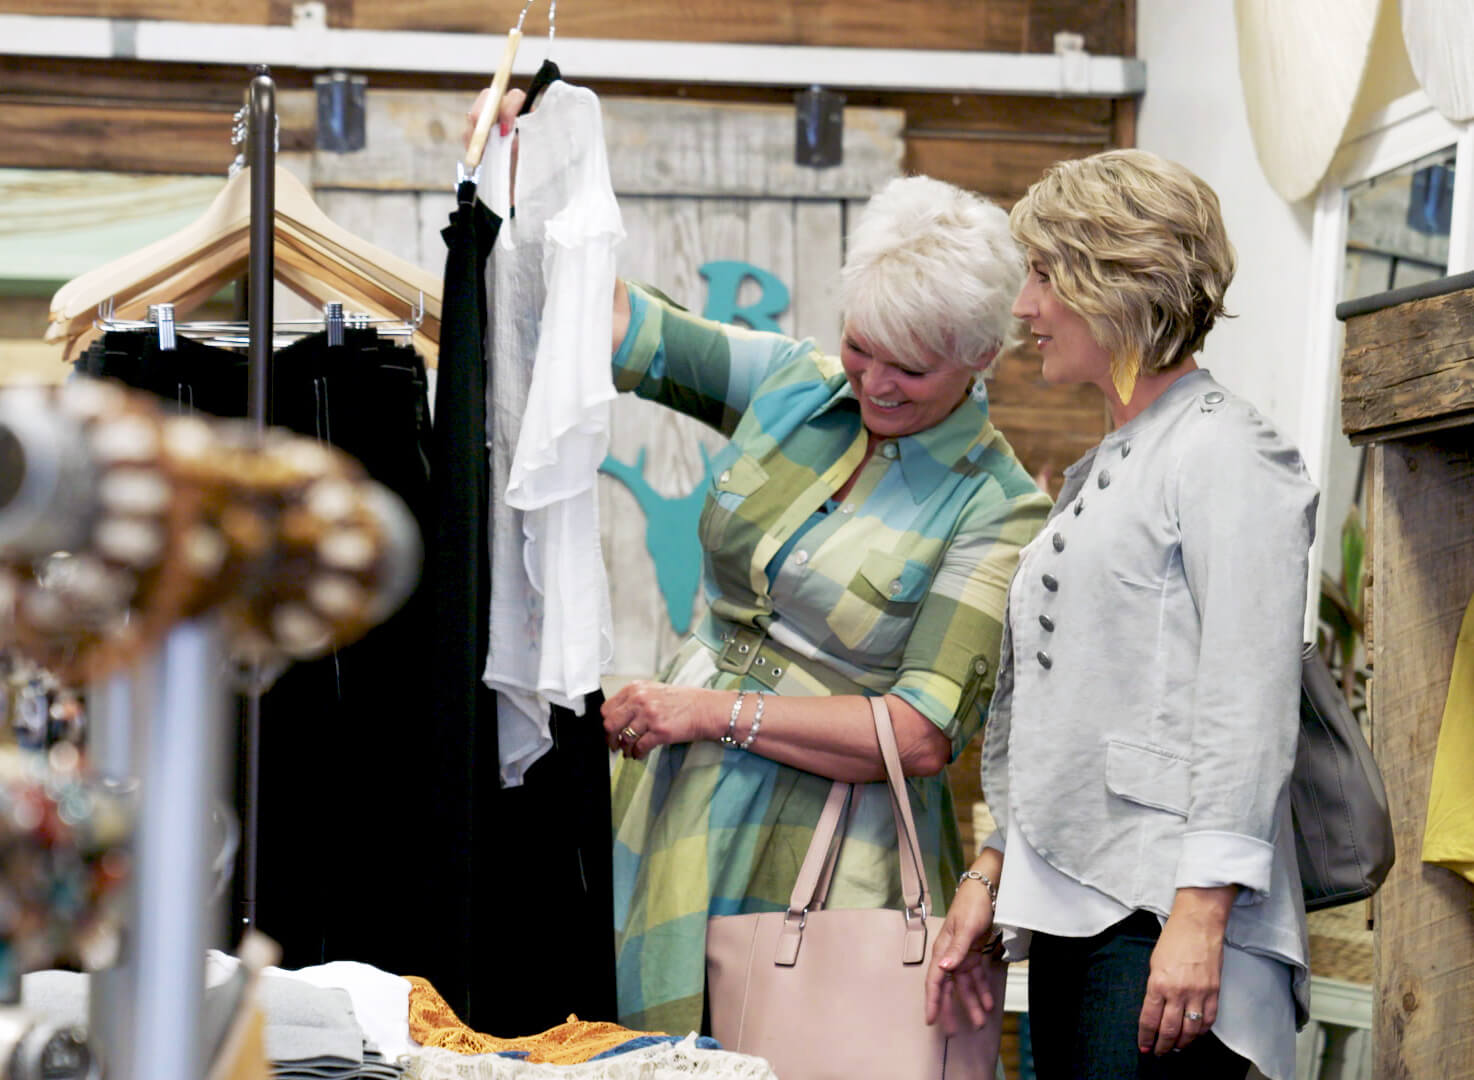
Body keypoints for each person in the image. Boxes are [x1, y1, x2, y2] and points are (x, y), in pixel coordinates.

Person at [469, 85, 1053, 1036]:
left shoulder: (997, 507)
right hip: (674, 804)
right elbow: (621, 329)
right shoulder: (795, 386)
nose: (873, 381)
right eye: (862, 346)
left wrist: (708, 712)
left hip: (823, 852)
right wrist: (537, 184)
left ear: (981, 356)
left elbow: (919, 736)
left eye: (911, 367)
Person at [923, 148, 1318, 1080]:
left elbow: (1247, 701)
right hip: (1083, 911)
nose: (1025, 306)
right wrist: (993, 866)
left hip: (1159, 920)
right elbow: (1076, 702)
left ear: (1117, 283)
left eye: (1046, 274)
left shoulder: (1225, 449)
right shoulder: (1118, 456)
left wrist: (1201, 912)